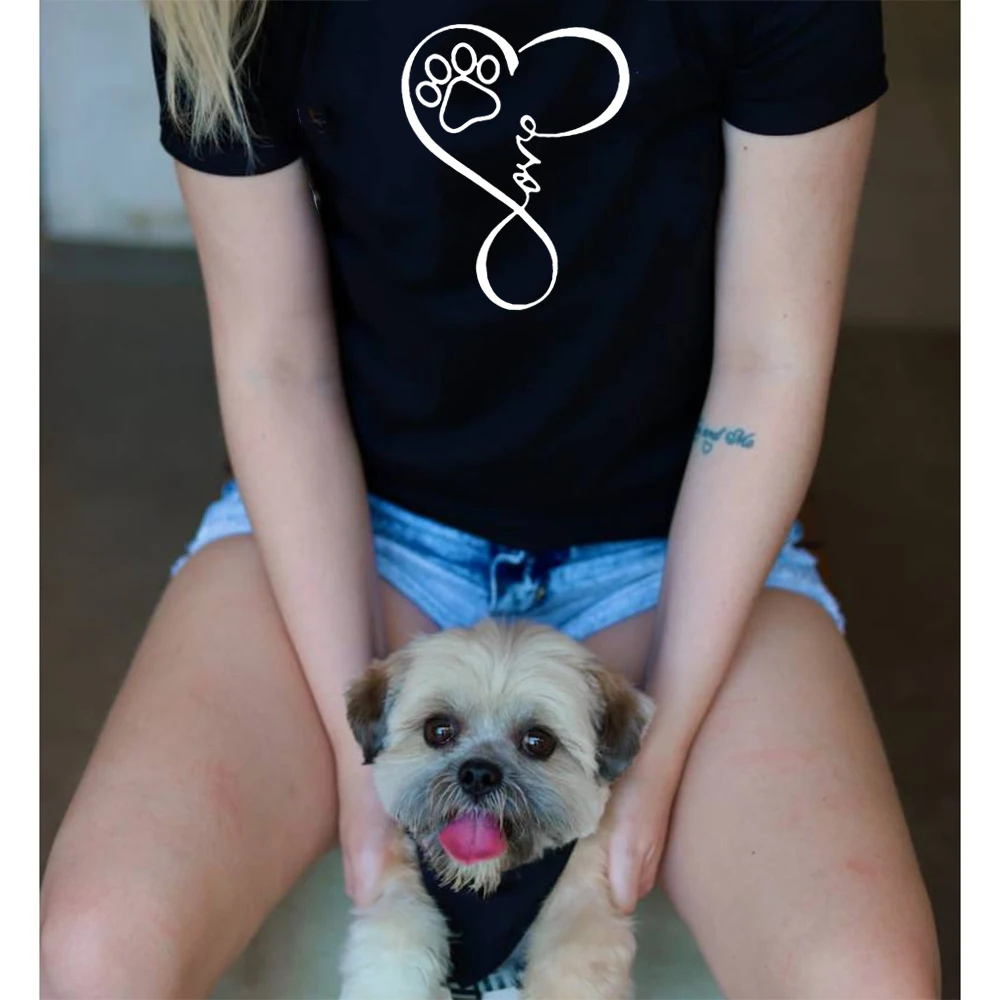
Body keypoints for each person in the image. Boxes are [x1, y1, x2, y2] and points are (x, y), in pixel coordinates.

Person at [40, 2, 940, 997]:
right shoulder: (225, 11)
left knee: (868, 983)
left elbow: (768, 364)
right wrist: (360, 754)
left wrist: (659, 750)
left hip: (671, 548)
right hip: (364, 535)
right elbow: (277, 368)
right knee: (92, 956)